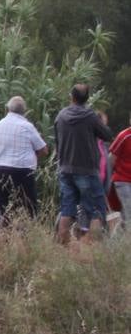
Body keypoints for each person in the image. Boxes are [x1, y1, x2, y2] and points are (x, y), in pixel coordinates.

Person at [54, 84, 113, 244]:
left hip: (65, 169)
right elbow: (107, 135)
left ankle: (63, 248)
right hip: (87, 169)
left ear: (71, 97)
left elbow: (57, 143)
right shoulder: (90, 116)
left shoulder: (60, 116)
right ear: (87, 99)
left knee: (67, 209)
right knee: (95, 209)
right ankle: (91, 249)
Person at [0, 95, 48, 226]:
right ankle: (27, 234)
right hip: (22, 172)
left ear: (8, 109)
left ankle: (1, 235)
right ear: (24, 110)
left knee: (1, 205)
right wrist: (34, 156)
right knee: (28, 206)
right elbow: (44, 149)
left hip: (0, 170)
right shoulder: (26, 126)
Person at [108, 112, 131, 231]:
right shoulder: (124, 136)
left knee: (125, 216)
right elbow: (111, 158)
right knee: (129, 214)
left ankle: (113, 245)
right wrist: (107, 179)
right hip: (123, 180)